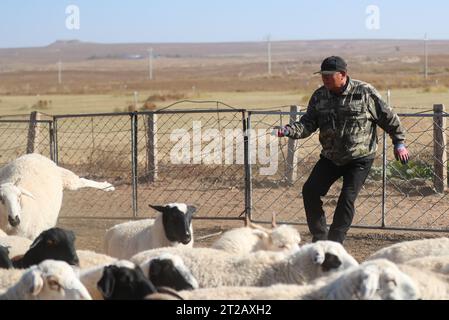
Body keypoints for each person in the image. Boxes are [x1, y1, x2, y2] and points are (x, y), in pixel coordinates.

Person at [277, 56, 410, 244]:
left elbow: (388, 118)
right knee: (310, 191)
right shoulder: (319, 96)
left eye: (329, 76)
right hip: (331, 157)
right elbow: (307, 124)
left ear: (343, 75)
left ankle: (335, 242)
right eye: (323, 76)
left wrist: (399, 143)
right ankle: (320, 238)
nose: (325, 79)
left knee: (346, 198)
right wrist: (289, 130)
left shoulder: (365, 92)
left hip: (360, 157)